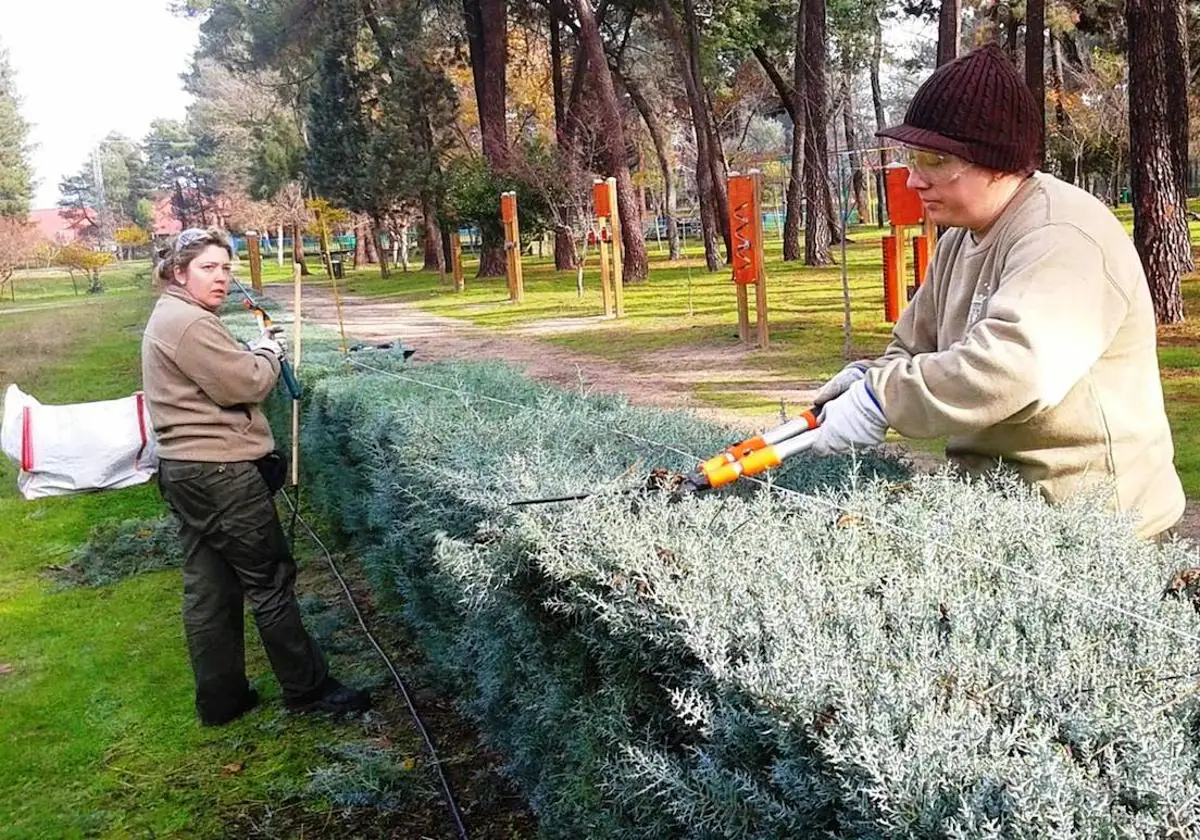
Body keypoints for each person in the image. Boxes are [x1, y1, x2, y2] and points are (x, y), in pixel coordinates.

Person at [806, 44, 1185, 540]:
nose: (913, 179)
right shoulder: (959, 239)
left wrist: (883, 400)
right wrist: (868, 380)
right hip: (999, 514)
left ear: (999, 163)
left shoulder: (1063, 234)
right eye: (912, 158)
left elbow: (1014, 368)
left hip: (1100, 530)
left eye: (934, 160)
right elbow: (913, 350)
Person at [142, 227, 370, 725]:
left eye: (226, 267)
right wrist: (269, 352)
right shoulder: (188, 323)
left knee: (210, 585)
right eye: (208, 267)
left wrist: (249, 349)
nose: (221, 277)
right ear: (179, 272)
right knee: (270, 579)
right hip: (220, 473)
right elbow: (243, 384)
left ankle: (221, 700)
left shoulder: (176, 316)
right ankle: (308, 688)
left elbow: (216, 372)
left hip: (186, 471)